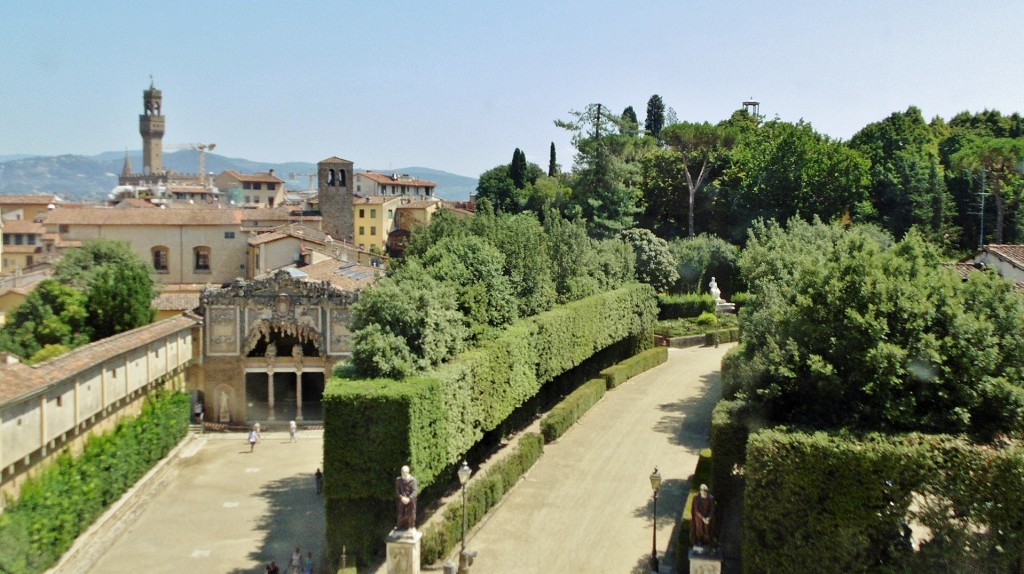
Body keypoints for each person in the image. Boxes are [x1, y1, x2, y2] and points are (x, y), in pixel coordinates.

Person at [690, 483, 716, 550]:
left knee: (708, 531)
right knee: (699, 531)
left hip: (708, 519)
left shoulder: (711, 498)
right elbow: (696, 510)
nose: (703, 492)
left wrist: (709, 518)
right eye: (702, 490)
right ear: (700, 491)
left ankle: (708, 543)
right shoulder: (696, 498)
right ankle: (699, 542)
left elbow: (712, 509)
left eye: (705, 490)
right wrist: (703, 518)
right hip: (699, 519)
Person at [395, 465, 418, 531]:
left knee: (411, 514)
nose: (403, 475)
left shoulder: (413, 480)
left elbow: (415, 492)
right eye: (402, 473)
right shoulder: (398, 480)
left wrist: (409, 498)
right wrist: (401, 498)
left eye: (404, 473)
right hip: (401, 500)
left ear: (407, 473)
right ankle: (400, 526)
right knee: (400, 514)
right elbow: (397, 491)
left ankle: (410, 527)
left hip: (410, 500)